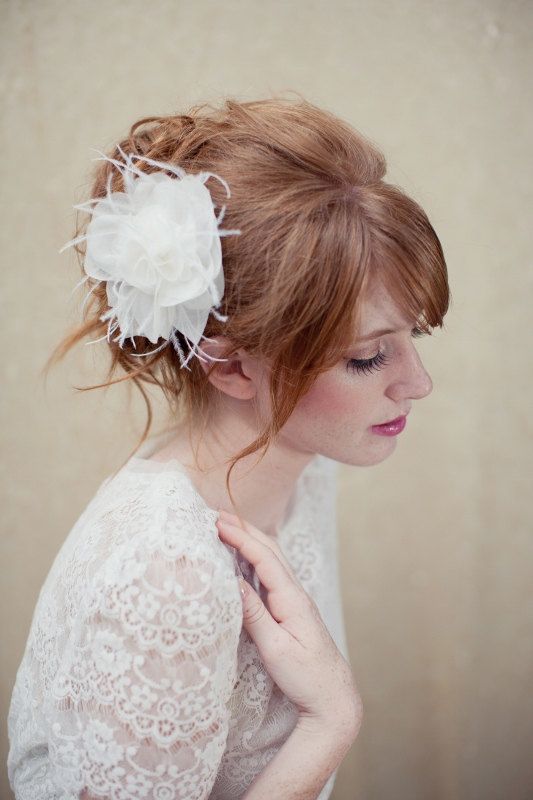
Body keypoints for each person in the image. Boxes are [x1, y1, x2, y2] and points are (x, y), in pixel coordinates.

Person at [7, 93, 450, 799]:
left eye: (413, 337)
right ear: (233, 366)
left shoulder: (298, 472)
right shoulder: (168, 576)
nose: (417, 384)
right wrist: (329, 721)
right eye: (367, 358)